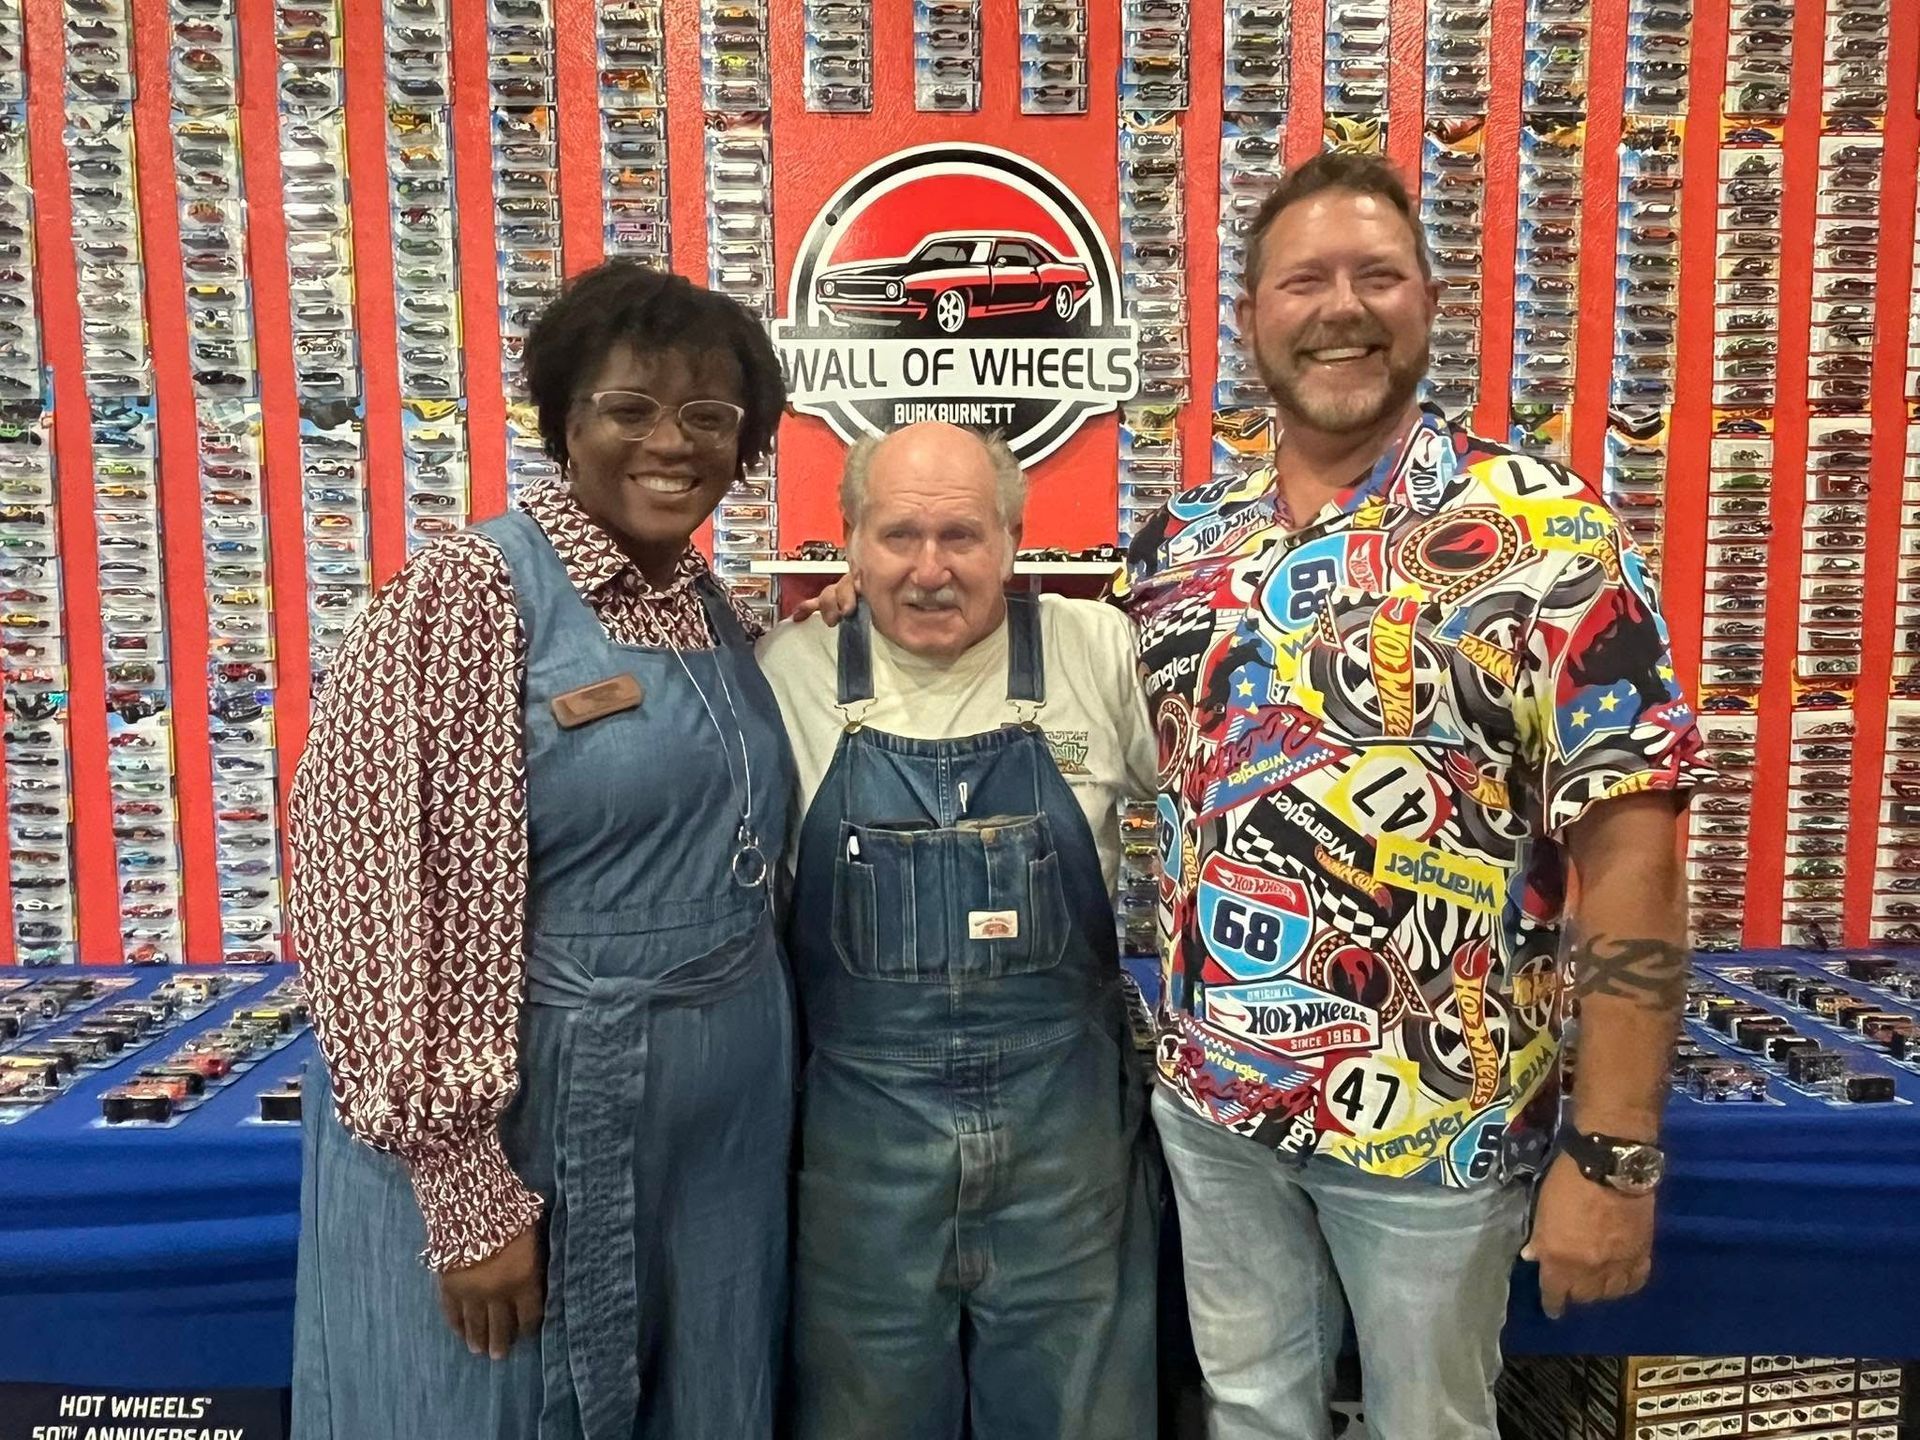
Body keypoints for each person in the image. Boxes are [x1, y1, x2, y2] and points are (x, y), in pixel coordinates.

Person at [1111, 151, 1712, 1438]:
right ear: (1251, 317)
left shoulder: (1548, 532)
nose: (1342, 307)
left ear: (1429, 302)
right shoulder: (1179, 546)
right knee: (1250, 1411)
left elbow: (1636, 855)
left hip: (1438, 1123)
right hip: (1213, 1101)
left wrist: (1614, 1154)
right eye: (1304, 280)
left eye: (1376, 276)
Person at [287, 262, 797, 1440]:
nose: (672, 444)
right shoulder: (471, 593)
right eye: (631, 409)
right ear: (568, 420)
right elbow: (364, 889)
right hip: (527, 1127)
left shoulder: (703, 603)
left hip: (707, 1145)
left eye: (711, 417)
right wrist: (462, 1181)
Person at [757, 421, 1160, 1440]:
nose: (930, 570)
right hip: (864, 1159)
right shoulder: (788, 673)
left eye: (962, 537)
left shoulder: (1098, 652)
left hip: (1064, 1153)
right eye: (898, 537)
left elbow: (1239, 795)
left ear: (1013, 542)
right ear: (849, 543)